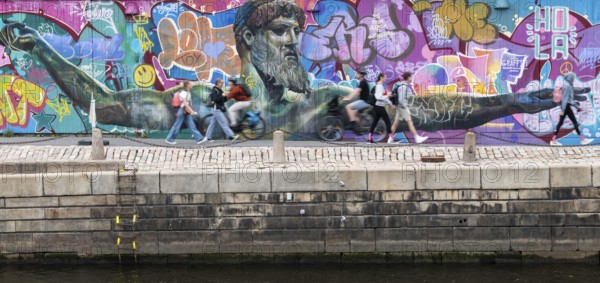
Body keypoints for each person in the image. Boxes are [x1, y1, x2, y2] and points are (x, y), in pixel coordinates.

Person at [0, 8, 591, 137]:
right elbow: (102, 106)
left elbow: (431, 112)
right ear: (251, 41)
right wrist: (46, 52)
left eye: (294, 28)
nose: (294, 39)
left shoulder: (325, 100)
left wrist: (522, 99)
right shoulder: (211, 96)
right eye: (280, 32)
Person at [550, 72, 593, 146]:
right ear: (570, 78)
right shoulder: (567, 86)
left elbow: (570, 99)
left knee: (563, 123)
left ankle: (554, 139)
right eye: (573, 78)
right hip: (566, 107)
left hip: (566, 106)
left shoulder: (567, 85)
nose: (573, 79)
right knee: (573, 122)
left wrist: (577, 107)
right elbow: (566, 99)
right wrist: (563, 110)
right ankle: (583, 139)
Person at [389, 72, 428, 144]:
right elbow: (401, 99)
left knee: (396, 123)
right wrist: (404, 106)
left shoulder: (403, 85)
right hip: (402, 107)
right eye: (411, 77)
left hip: (400, 107)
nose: (412, 78)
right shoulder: (403, 86)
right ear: (408, 77)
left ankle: (390, 138)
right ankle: (417, 137)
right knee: (410, 122)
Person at [199, 78, 239, 143]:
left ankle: (207, 137)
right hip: (216, 109)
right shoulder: (215, 90)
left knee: (212, 124)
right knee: (224, 122)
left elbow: (222, 100)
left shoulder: (220, 90)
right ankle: (231, 136)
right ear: (217, 83)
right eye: (221, 83)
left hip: (218, 109)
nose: (222, 84)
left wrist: (225, 96)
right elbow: (215, 100)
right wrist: (222, 96)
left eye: (223, 83)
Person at [165, 80, 203, 145]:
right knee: (177, 125)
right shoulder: (183, 93)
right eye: (191, 83)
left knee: (191, 125)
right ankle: (169, 139)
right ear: (187, 85)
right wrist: (192, 111)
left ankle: (199, 138)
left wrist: (190, 111)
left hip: (186, 111)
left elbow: (187, 103)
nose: (192, 84)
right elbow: (185, 103)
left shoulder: (188, 92)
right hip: (182, 110)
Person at [367, 73, 392, 144]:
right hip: (379, 106)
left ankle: (370, 138)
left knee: (375, 122)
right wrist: (388, 95)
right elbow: (378, 97)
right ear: (381, 77)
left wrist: (390, 103)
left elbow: (383, 96)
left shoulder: (380, 86)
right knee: (387, 121)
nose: (386, 78)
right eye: (385, 77)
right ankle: (390, 138)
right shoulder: (379, 86)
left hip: (378, 106)